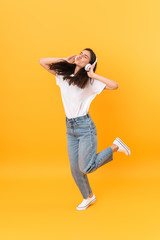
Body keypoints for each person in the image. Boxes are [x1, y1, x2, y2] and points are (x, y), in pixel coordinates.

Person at [39, 48, 131, 211]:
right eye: (80, 53)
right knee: (75, 169)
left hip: (84, 127)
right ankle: (88, 196)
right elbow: (42, 61)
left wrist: (93, 74)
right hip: (70, 127)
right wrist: (63, 59)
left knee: (85, 167)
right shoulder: (63, 75)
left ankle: (115, 146)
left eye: (85, 56)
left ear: (90, 64)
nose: (80, 56)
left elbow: (114, 85)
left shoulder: (90, 82)